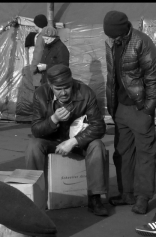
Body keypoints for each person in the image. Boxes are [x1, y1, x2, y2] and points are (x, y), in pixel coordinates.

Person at [25, 64, 108, 217]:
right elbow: (36, 130)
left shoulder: (85, 92)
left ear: (72, 83)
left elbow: (99, 127)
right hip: (52, 140)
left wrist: (73, 141)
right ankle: (33, 194)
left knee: (97, 145)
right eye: (58, 89)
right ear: (50, 86)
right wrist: (53, 119)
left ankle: (95, 198)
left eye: (67, 87)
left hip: (78, 141)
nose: (63, 93)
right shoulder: (40, 94)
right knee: (34, 145)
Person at [103, 10, 156, 215]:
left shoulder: (141, 42)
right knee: (122, 153)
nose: (111, 39)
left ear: (123, 30)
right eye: (109, 36)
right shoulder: (111, 42)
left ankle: (142, 197)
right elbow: (112, 75)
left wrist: (148, 108)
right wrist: (112, 106)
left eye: (114, 35)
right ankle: (126, 193)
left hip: (140, 108)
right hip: (119, 105)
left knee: (145, 154)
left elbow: (154, 77)